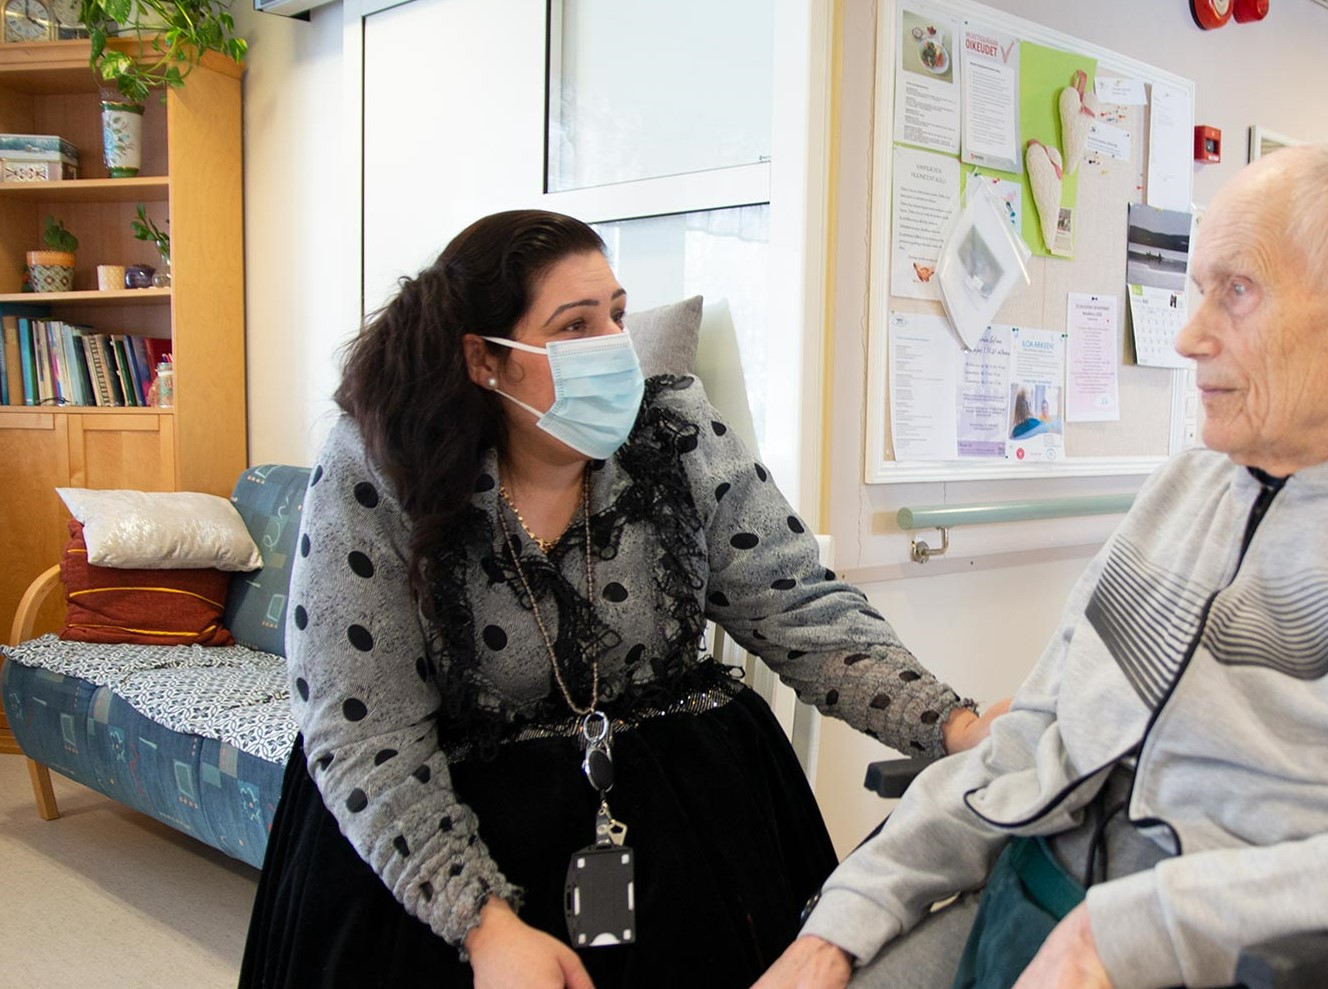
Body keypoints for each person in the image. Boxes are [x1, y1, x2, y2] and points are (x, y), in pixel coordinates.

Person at [756, 139, 1328, 989]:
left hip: (1243, 951)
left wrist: (1126, 932)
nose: (1188, 336)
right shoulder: (1186, 489)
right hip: (1040, 892)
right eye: (1196, 291)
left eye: (1238, 291)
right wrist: (846, 917)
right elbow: (1034, 735)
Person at [238, 210, 998, 989]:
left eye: (618, 314)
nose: (614, 346)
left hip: (682, 814)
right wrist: (483, 921)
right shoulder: (380, 467)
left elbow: (798, 606)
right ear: (484, 360)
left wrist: (953, 723)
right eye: (575, 325)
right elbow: (363, 727)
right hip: (449, 828)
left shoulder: (677, 433)